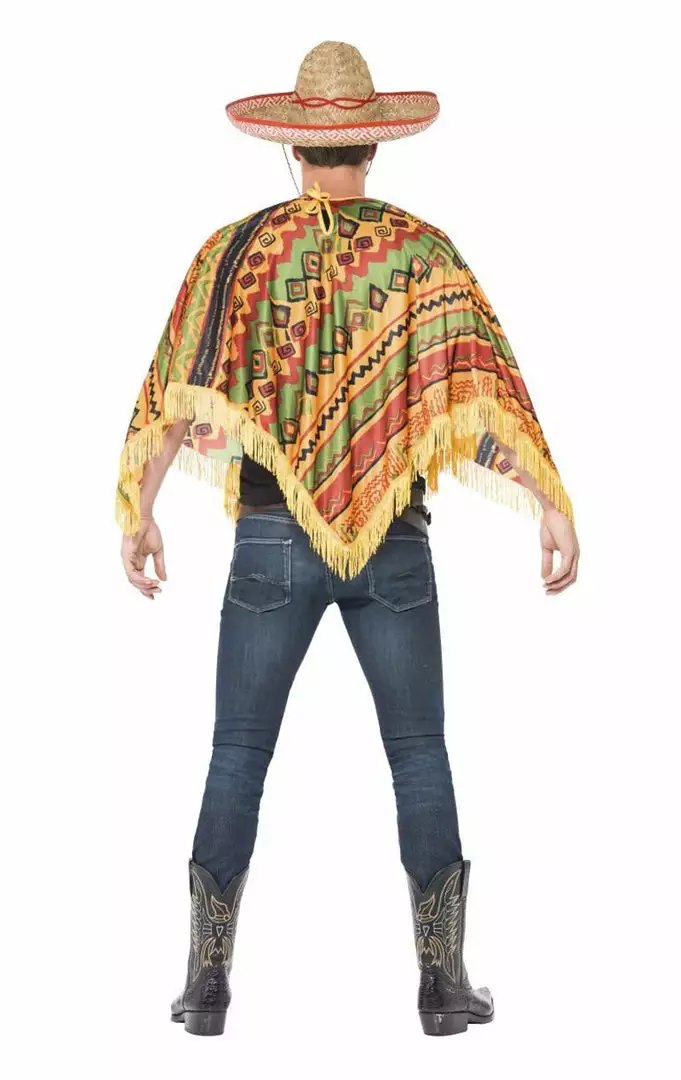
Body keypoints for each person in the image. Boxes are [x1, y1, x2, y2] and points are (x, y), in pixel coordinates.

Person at [116, 41, 579, 1038]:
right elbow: (475, 392)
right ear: (374, 144)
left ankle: (205, 985)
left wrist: (143, 509)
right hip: (394, 548)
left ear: (294, 146)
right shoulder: (422, 256)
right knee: (419, 754)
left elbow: (178, 390)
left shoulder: (237, 256)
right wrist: (548, 499)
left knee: (237, 754)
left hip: (270, 546)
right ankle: (443, 986)